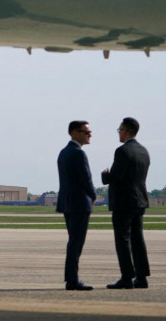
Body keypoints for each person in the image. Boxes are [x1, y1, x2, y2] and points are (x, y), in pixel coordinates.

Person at [101, 117, 151, 289]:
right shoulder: (144, 151)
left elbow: (117, 176)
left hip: (124, 202)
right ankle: (142, 277)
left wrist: (105, 175)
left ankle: (127, 277)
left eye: (120, 130)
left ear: (127, 131)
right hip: (140, 201)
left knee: (123, 240)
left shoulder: (122, 151)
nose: (119, 133)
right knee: (138, 240)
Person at [57, 120, 98, 290]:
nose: (89, 135)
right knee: (76, 243)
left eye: (89, 132)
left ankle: (71, 278)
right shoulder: (78, 153)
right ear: (74, 132)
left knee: (73, 241)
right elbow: (85, 178)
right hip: (79, 204)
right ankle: (72, 280)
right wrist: (94, 195)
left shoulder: (64, 152)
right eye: (85, 132)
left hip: (68, 203)